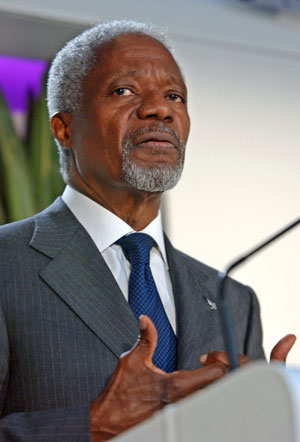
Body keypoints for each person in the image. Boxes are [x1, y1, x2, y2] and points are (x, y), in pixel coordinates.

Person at [0, 20, 295, 441]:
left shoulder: (233, 300)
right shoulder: (5, 266)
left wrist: (270, 422)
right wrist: (91, 424)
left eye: (174, 96)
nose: (161, 109)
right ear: (63, 128)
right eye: (124, 91)